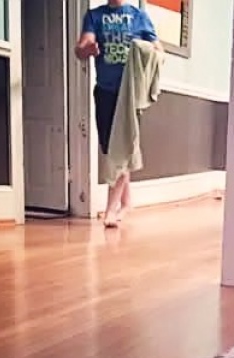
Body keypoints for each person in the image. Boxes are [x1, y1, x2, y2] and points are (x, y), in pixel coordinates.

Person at [75, 0, 162, 227]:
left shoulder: (138, 16)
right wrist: (87, 49)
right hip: (105, 91)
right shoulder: (94, 16)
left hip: (130, 94)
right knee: (110, 147)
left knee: (120, 147)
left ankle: (110, 211)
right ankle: (126, 203)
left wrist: (147, 48)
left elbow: (158, 49)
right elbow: (82, 46)